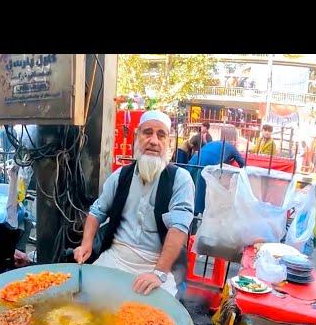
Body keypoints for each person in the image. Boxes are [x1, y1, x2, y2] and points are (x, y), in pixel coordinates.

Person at [73, 110, 194, 298]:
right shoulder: (120, 176)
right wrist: (86, 244)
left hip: (157, 264)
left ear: (167, 142)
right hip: (115, 257)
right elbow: (97, 211)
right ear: (137, 137)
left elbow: (179, 228)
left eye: (161, 135)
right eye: (148, 133)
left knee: (152, 318)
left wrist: (158, 274)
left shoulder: (181, 179)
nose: (153, 140)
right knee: (84, 299)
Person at [187, 139, 246, 216]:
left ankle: (186, 212)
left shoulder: (213, 143)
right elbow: (242, 163)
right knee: (201, 191)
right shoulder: (232, 148)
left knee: (188, 187)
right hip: (208, 163)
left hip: (194, 160)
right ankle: (197, 216)